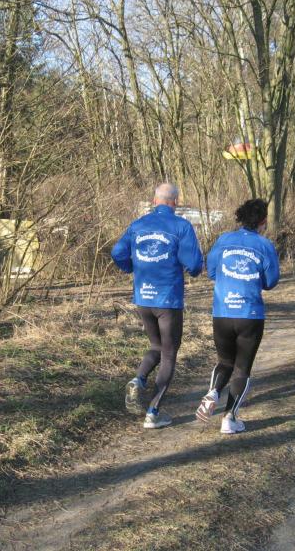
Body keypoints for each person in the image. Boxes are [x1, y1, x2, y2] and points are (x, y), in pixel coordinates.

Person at [111, 183, 203, 429]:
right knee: (169, 353)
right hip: (168, 300)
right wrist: (193, 270)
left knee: (156, 346)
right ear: (175, 202)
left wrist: (131, 267)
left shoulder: (138, 225)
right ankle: (153, 412)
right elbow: (194, 263)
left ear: (154, 201)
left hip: (143, 298)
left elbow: (117, 252)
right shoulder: (181, 226)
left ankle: (139, 379)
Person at [195, 199, 279, 434]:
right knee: (242, 369)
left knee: (224, 362)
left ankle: (213, 391)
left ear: (240, 218)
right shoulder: (265, 245)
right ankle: (229, 419)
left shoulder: (223, 240)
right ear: (263, 221)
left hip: (222, 312)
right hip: (250, 315)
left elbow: (211, 271)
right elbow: (271, 281)